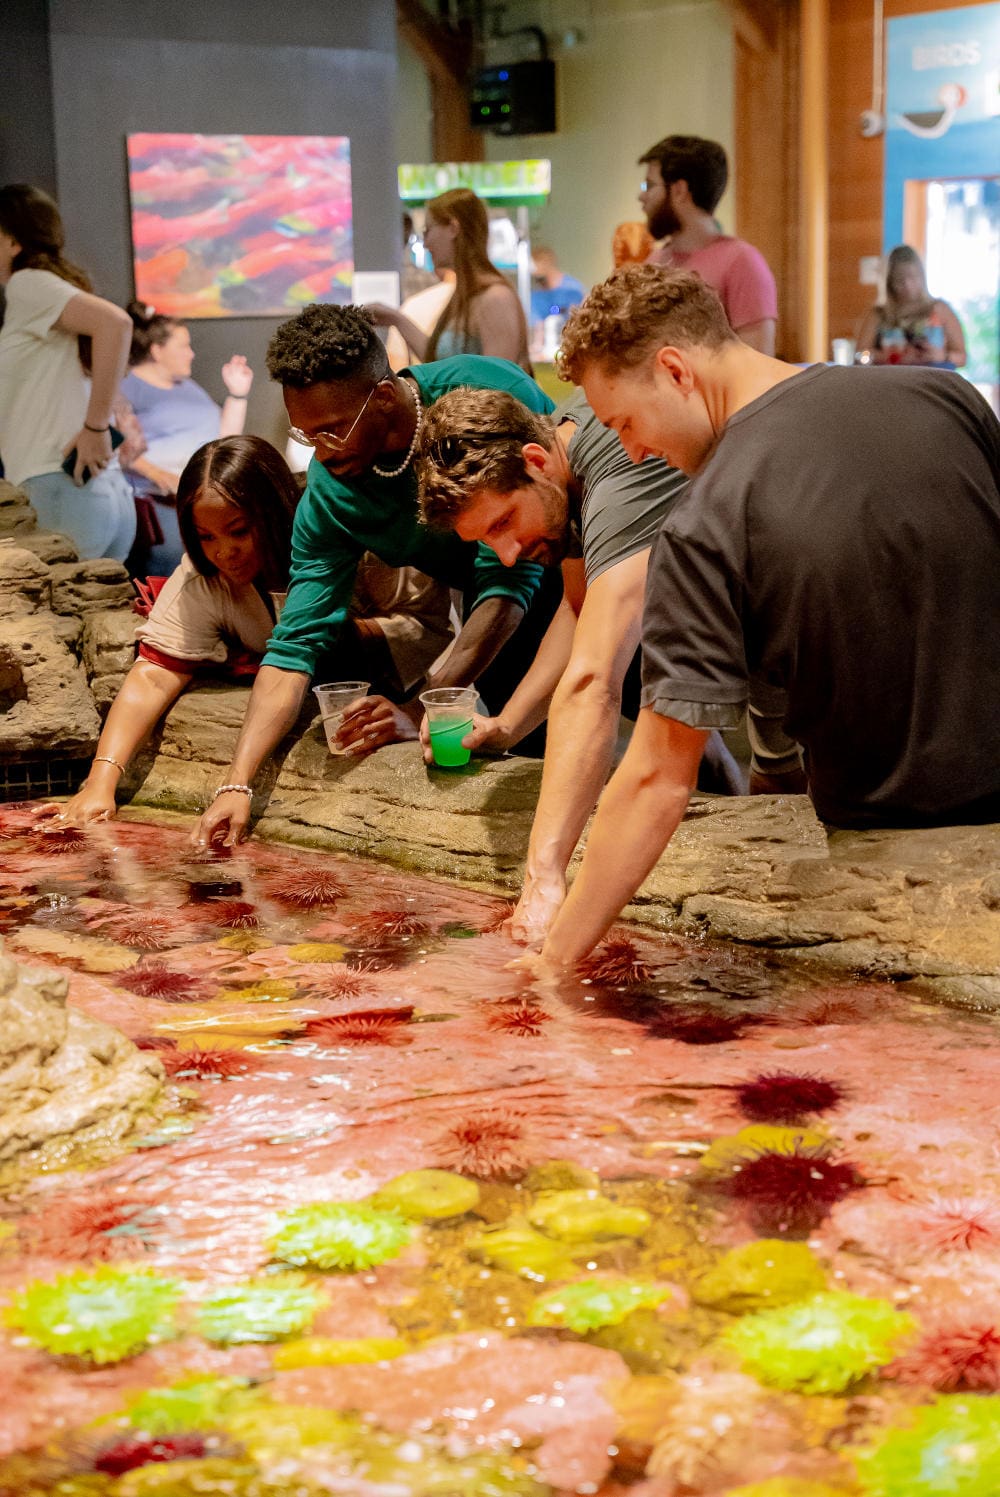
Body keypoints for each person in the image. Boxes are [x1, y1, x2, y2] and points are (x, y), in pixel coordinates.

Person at [524, 264, 1000, 972]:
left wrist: (551, 965)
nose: (631, 450)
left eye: (625, 421)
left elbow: (659, 776)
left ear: (676, 370)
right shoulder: (944, 395)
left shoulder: (704, 523)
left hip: (890, 846)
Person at [191, 304, 559, 849]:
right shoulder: (330, 491)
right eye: (306, 432)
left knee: (653, 704)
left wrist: (421, 704)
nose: (320, 449)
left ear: (383, 397)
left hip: (573, 564)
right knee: (527, 755)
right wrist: (237, 780)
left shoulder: (480, 392)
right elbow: (294, 645)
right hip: (497, 610)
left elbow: (511, 575)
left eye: (334, 429)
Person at [56, 436, 455, 825]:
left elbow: (429, 624)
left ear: (275, 512)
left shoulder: (351, 537)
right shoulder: (204, 576)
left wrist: (373, 662)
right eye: (205, 536)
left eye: (239, 530)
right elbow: (154, 676)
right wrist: (100, 782)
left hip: (424, 713)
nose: (223, 552)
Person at [417, 385, 691, 944]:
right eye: (486, 542)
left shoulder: (615, 472)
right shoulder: (559, 453)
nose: (508, 555)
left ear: (535, 463)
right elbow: (578, 607)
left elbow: (594, 681)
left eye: (502, 524)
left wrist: (543, 875)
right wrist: (508, 725)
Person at [0, 184, 135, 561]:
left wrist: (96, 428)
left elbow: (116, 325)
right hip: (94, 494)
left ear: (13, 242)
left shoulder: (28, 284)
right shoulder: (54, 290)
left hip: (60, 490)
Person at [120, 302, 254, 574]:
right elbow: (115, 444)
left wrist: (238, 394)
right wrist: (161, 475)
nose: (191, 354)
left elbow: (224, 438)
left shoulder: (189, 388)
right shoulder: (127, 386)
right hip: (160, 504)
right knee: (179, 569)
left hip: (203, 500)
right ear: (157, 350)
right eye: (183, 346)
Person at [638, 135, 777, 355]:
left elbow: (758, 367)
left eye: (649, 185)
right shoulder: (653, 264)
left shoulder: (742, 263)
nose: (641, 196)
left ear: (679, 190)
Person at [370, 188, 531, 373]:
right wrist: (395, 319)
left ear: (453, 228)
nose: (426, 243)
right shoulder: (466, 294)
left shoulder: (495, 297)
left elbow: (496, 385)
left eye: (428, 230)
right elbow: (440, 364)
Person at [856, 245, 966, 368]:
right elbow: (860, 355)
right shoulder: (878, 314)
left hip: (932, 382)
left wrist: (942, 356)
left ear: (922, 276)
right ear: (890, 282)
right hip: (891, 382)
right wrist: (894, 357)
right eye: (900, 280)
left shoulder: (940, 310)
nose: (907, 285)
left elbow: (962, 357)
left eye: (913, 277)